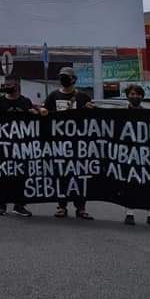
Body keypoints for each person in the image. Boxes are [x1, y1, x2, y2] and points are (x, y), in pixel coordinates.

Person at [42, 66, 94, 220]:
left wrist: (91, 109)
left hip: (78, 144)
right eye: (61, 76)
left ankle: (81, 208)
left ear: (74, 79)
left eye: (67, 76)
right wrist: (42, 112)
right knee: (61, 175)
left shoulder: (83, 96)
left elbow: (92, 118)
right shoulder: (53, 96)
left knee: (79, 176)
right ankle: (61, 206)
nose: (64, 79)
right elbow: (44, 113)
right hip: (59, 145)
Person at [0, 75, 35, 217]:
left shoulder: (25, 102)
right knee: (3, 176)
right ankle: (2, 205)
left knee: (22, 176)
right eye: (6, 84)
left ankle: (19, 204)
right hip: (4, 147)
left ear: (17, 84)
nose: (7, 86)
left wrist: (36, 113)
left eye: (10, 84)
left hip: (22, 147)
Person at [121, 84, 150, 228]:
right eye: (132, 94)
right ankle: (129, 214)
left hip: (145, 156)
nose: (134, 97)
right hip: (126, 155)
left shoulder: (148, 115)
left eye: (137, 94)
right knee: (130, 185)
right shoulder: (119, 114)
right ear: (127, 96)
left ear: (142, 96)